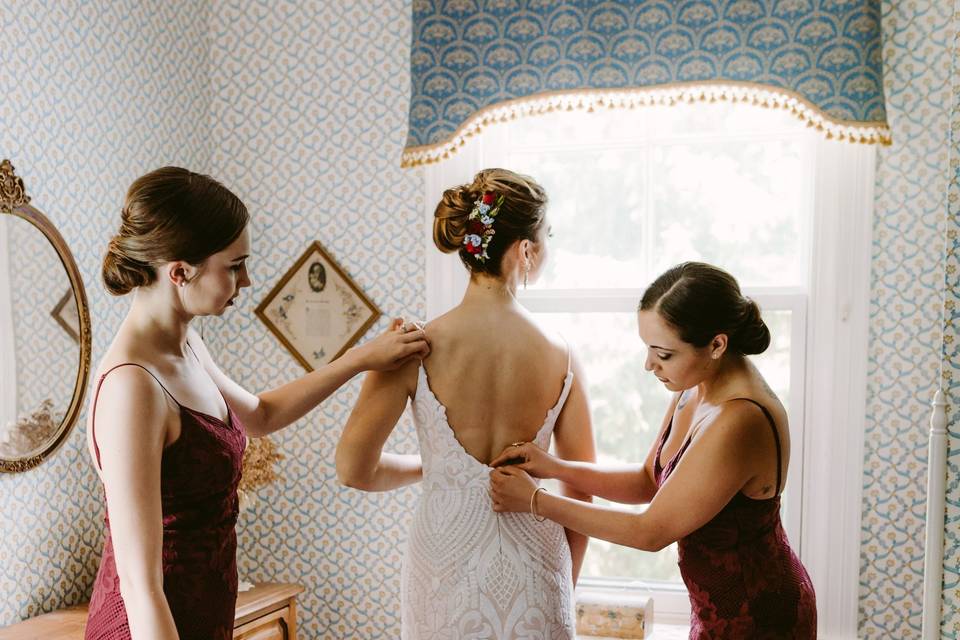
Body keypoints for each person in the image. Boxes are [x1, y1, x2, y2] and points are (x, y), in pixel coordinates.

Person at [84, 167, 429, 640]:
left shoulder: (187, 345)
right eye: (234, 265)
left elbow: (263, 415)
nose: (246, 280)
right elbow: (141, 586)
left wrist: (362, 358)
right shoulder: (132, 387)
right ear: (180, 272)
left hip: (204, 612)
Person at [489, 262, 817, 638]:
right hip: (716, 608)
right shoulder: (695, 384)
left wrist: (536, 501)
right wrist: (555, 467)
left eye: (663, 354)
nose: (649, 365)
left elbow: (650, 531)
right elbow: (648, 481)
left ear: (716, 344)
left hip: (759, 617)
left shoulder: (741, 420)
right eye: (648, 349)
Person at [335, 168, 596, 639]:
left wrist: (439, 469)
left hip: (441, 561)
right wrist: (563, 584)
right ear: (525, 250)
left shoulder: (411, 348)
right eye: (547, 236)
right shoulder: (563, 352)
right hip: (537, 562)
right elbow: (581, 487)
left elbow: (355, 469)